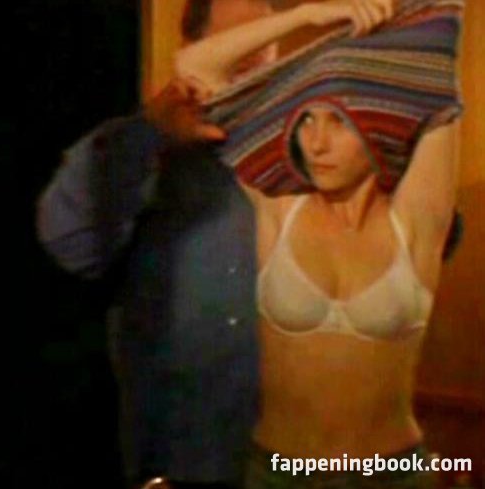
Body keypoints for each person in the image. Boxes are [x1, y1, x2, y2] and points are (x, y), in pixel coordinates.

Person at [175, 0, 462, 486]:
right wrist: (306, 16)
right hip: (280, 471)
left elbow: (441, 60)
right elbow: (194, 67)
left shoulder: (415, 220)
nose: (316, 143)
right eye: (306, 120)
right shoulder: (277, 204)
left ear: (373, 124)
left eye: (338, 121)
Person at [37, 1, 279, 487]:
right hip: (180, 463)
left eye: (264, 43)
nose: (251, 57)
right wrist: (148, 134)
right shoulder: (139, 154)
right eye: (236, 42)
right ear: (192, 50)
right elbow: (69, 244)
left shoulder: (315, 155)